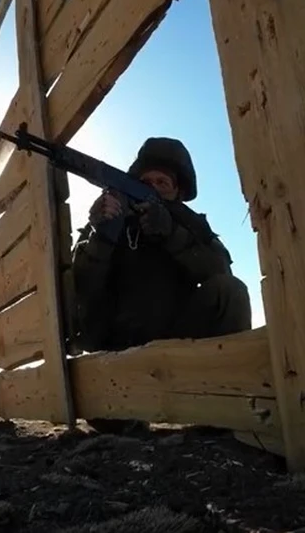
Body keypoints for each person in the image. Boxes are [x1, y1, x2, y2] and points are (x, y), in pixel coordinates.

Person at [70, 137, 252, 433]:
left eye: (162, 182)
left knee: (230, 291)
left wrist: (172, 234)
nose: (152, 186)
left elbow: (220, 272)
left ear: (177, 192)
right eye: (145, 181)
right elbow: (81, 288)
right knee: (114, 425)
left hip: (180, 344)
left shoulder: (189, 226)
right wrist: (101, 235)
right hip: (120, 356)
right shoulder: (109, 220)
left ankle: (227, 408)